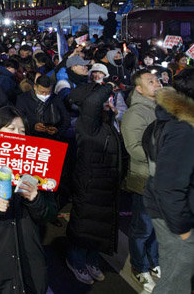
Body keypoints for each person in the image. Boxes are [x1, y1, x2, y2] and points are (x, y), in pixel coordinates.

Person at [0, 106, 57, 293]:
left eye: (22, 131)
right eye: (11, 129)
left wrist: (35, 199)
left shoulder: (36, 167)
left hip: (29, 255)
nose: (18, 135)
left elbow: (49, 213)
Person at [65, 81, 122, 285]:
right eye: (103, 100)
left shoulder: (105, 123)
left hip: (105, 183)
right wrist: (107, 85)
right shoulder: (87, 122)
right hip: (90, 183)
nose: (107, 103)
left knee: (99, 227)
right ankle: (76, 260)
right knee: (85, 225)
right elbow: (92, 102)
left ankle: (91, 260)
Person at [143, 69, 194, 293]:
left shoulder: (173, 117)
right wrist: (183, 230)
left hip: (173, 211)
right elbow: (168, 185)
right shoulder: (183, 129)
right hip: (176, 218)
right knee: (177, 281)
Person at [122, 70, 162, 292]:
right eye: (151, 81)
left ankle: (154, 261)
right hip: (146, 179)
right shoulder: (135, 114)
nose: (157, 83)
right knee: (143, 228)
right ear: (139, 88)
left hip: (165, 178)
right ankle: (139, 267)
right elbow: (134, 149)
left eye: (157, 80)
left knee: (159, 226)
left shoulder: (164, 108)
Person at [15, 74, 70, 140]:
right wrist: (33, 126)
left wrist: (58, 130)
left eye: (48, 92)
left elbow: (66, 118)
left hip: (52, 138)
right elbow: (19, 118)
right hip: (30, 137)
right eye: (42, 92)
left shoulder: (56, 98)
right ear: (35, 87)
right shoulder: (23, 99)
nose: (45, 95)